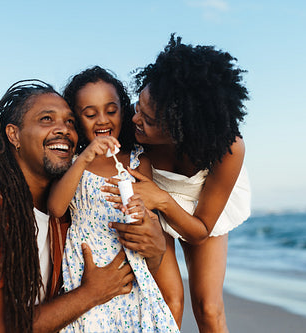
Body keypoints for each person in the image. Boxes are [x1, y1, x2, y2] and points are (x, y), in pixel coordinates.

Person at [0, 80, 147, 333]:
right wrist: (90, 294)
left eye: (69, 122)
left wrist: (153, 245)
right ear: (14, 135)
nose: (63, 130)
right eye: (46, 119)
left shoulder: (66, 202)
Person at [103, 35, 251, 333]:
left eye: (147, 118)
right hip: (150, 200)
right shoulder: (137, 130)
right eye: (138, 107)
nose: (134, 119)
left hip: (195, 209)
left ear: (181, 128)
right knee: (170, 300)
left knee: (209, 308)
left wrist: (162, 199)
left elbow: (200, 232)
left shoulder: (227, 149)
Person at [47, 66, 180, 332]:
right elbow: (56, 207)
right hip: (88, 268)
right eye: (90, 114)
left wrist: (140, 209)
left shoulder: (137, 160)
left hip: (130, 263)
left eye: (111, 110)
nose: (102, 120)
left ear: (123, 110)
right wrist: (85, 157)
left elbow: (148, 210)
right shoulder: (74, 163)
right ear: (76, 119)